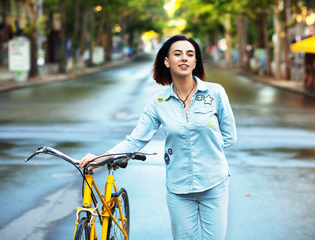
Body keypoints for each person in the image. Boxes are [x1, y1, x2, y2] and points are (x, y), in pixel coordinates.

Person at [80, 35, 237, 240]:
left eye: (190, 54)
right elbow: (136, 139)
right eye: (177, 54)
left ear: (195, 62)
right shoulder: (159, 103)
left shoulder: (215, 93)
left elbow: (229, 136)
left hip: (214, 183)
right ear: (166, 61)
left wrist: (207, 153)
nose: (184, 59)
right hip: (179, 188)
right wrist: (103, 157)